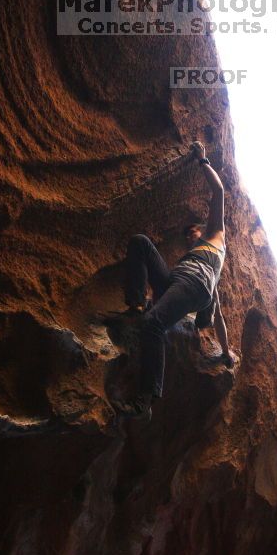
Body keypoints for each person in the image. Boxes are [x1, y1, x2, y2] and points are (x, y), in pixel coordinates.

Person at [108, 141, 235, 423]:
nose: (190, 234)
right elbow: (219, 317)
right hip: (181, 282)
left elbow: (219, 191)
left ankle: (146, 400)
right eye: (187, 233)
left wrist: (202, 160)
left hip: (194, 284)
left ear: (203, 230)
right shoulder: (190, 257)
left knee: (154, 325)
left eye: (194, 230)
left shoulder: (216, 236)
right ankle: (136, 306)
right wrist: (227, 352)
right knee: (140, 242)